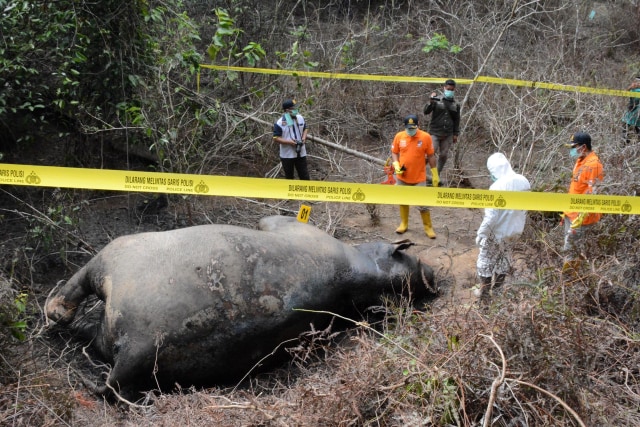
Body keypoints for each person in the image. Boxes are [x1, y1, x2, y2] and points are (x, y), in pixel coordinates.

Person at [473, 153, 531, 302]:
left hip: (496, 232)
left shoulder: (497, 186)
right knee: (503, 259)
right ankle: (498, 291)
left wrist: (482, 233)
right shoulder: (524, 182)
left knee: (485, 260)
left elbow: (491, 216)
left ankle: (484, 294)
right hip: (515, 231)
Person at [561, 131, 605, 271]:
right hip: (571, 214)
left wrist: (580, 218)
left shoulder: (594, 165)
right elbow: (577, 188)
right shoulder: (580, 161)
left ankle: (570, 282)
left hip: (582, 219)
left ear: (583, 147)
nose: (572, 151)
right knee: (569, 250)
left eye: (574, 147)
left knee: (572, 251)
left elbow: (594, 194)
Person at [390, 114, 439, 239]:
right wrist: (396, 164)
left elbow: (431, 156)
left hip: (419, 178)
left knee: (423, 203)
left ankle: (428, 227)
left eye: (413, 128)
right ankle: (404, 224)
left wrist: (434, 173)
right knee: (403, 200)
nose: (410, 131)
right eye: (408, 128)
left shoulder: (425, 137)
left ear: (418, 126)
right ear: (404, 127)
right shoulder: (399, 137)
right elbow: (394, 152)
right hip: (403, 176)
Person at [423, 79, 461, 182]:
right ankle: (419, 170)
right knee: (430, 153)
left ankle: (436, 175)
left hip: (448, 134)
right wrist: (430, 102)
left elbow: (457, 119)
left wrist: (455, 134)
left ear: (454, 90)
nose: (450, 91)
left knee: (444, 155)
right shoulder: (436, 100)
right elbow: (426, 111)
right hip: (435, 132)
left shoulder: (456, 104)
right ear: (444, 88)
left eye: (452, 90)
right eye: (448, 89)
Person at [273, 98, 310, 180]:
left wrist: (303, 138)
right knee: (289, 177)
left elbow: (305, 128)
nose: (296, 109)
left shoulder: (300, 117)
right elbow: (276, 138)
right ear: (287, 110)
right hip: (287, 154)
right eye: (294, 108)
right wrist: (289, 142)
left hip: (301, 152)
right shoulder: (279, 123)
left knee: (305, 176)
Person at [622, 76, 640, 144]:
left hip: (635, 115)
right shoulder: (633, 90)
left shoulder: (635, 90)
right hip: (631, 113)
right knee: (626, 130)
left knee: (626, 130)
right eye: (636, 82)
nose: (637, 83)